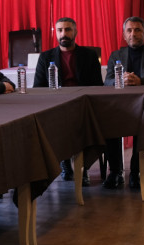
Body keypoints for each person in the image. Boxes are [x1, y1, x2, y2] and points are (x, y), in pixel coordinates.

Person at [34, 17, 103, 185]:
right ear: (55, 33)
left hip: (83, 104)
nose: (63, 34)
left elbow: (97, 86)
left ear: (75, 32)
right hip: (56, 105)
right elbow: (38, 87)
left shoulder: (89, 55)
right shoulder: (45, 57)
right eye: (60, 30)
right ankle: (64, 163)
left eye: (67, 29)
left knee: (84, 124)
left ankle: (83, 168)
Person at [103, 16, 144, 189]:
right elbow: (107, 81)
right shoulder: (116, 55)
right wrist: (121, 80)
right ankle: (116, 172)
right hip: (120, 106)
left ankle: (136, 171)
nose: (133, 34)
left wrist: (140, 81)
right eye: (129, 30)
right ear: (124, 35)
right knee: (107, 122)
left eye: (137, 30)